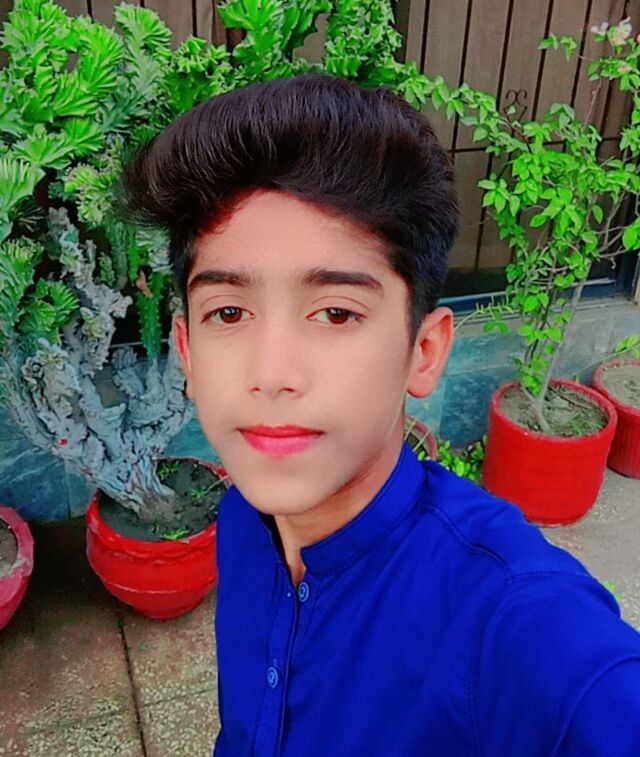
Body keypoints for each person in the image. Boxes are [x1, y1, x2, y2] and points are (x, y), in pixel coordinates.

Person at [122, 73, 640, 756]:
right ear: (187, 351)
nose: (270, 372)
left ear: (423, 352)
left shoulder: (512, 625)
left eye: (337, 313)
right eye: (229, 311)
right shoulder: (246, 517)